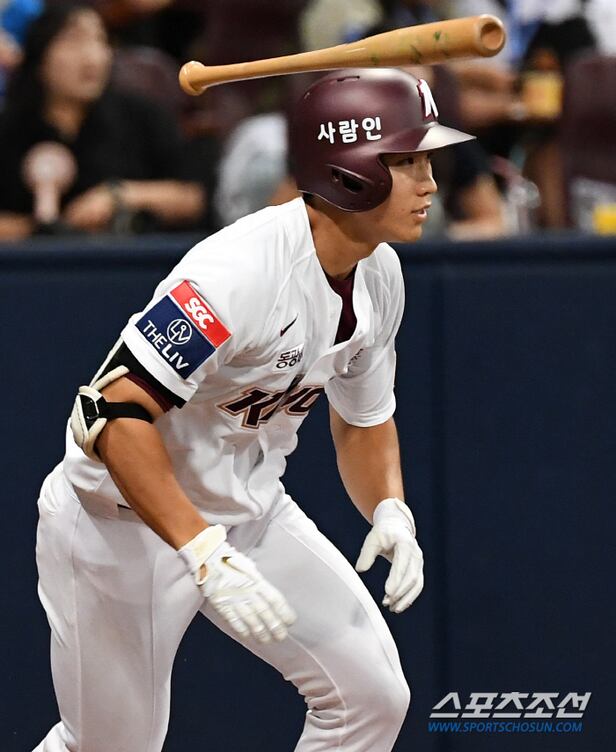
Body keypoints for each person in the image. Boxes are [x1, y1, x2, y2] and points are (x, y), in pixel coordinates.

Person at [34, 68, 474, 752]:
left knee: (372, 698)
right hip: (122, 524)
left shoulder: (381, 272)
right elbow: (110, 416)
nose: (430, 184)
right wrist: (201, 550)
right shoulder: (237, 270)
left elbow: (363, 418)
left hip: (247, 511)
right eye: (408, 161)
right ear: (350, 171)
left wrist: (391, 508)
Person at [0, 3, 204, 240]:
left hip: (132, 256)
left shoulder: (141, 116)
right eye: (73, 41)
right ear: (40, 57)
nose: (91, 57)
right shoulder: (9, 128)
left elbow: (193, 199)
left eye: (100, 40)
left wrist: (118, 196)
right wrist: (43, 229)